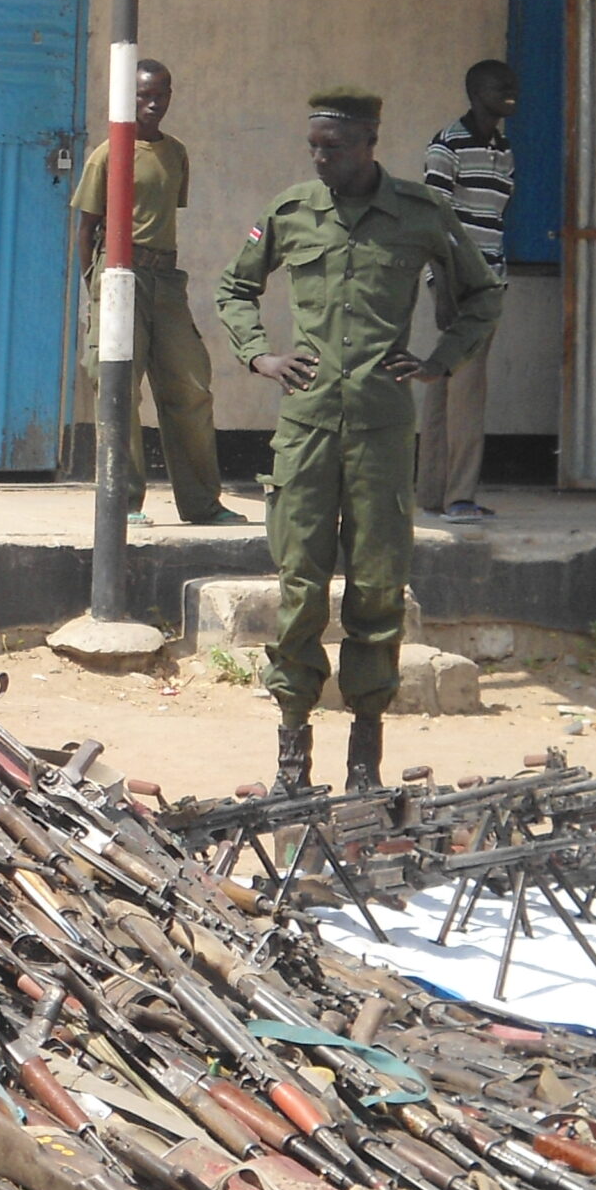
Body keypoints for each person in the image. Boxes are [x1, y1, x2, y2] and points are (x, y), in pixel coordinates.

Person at [218, 88, 504, 793]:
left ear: (370, 142)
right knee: (300, 591)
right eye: (313, 145)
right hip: (306, 433)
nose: (320, 158)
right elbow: (234, 288)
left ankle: (364, 757)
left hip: (381, 432)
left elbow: (482, 295)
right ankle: (292, 754)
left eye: (334, 147)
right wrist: (261, 356)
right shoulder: (292, 212)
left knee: (376, 593)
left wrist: (440, 361)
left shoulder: (418, 215)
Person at [71, 58, 243, 527]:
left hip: (165, 280)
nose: (153, 103)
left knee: (190, 386)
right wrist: (95, 288)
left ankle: (203, 503)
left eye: (161, 94)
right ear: (128, 99)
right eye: (143, 95)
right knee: (118, 386)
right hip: (118, 274)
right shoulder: (107, 154)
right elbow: (85, 227)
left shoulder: (176, 153)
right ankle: (123, 502)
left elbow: (166, 213)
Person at [419, 59, 519, 525]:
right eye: (503, 87)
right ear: (477, 92)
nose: (512, 93)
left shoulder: (503, 149)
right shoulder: (447, 147)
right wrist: (446, 285)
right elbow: (435, 222)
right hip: (461, 285)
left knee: (445, 384)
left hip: (491, 280)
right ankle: (460, 497)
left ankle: (433, 491)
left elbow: (495, 219)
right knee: (468, 390)